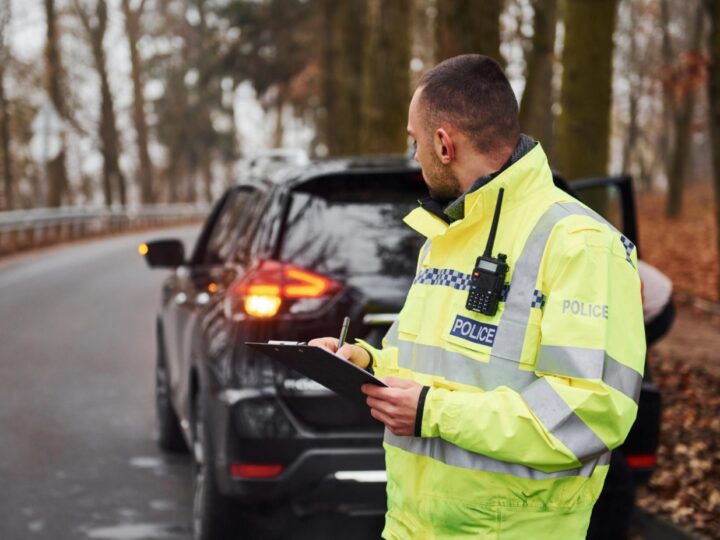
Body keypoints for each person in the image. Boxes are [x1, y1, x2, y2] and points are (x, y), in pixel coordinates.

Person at [309, 54, 645, 539]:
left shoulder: (582, 244)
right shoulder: (445, 235)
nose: (415, 155)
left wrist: (432, 412)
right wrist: (364, 362)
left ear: (444, 144)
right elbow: (428, 368)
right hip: (410, 527)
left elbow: (590, 413)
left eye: (414, 141)